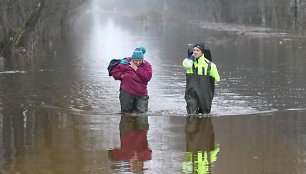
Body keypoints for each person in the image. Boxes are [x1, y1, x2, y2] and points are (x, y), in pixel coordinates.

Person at [111, 47, 152, 113]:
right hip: (126, 92)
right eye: (136, 60)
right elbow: (114, 72)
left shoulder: (147, 65)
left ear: (142, 59)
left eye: (140, 60)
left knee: (142, 114)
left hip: (141, 94)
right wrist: (121, 76)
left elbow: (147, 78)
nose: (138, 62)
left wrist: (135, 68)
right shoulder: (125, 63)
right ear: (132, 59)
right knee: (126, 113)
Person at [182, 43, 220, 114]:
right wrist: (191, 58)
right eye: (194, 50)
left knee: (205, 115)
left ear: (202, 52)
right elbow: (186, 65)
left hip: (205, 96)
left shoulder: (211, 65)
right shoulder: (188, 63)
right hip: (191, 94)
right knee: (192, 115)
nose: (195, 52)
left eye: (197, 50)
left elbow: (217, 79)